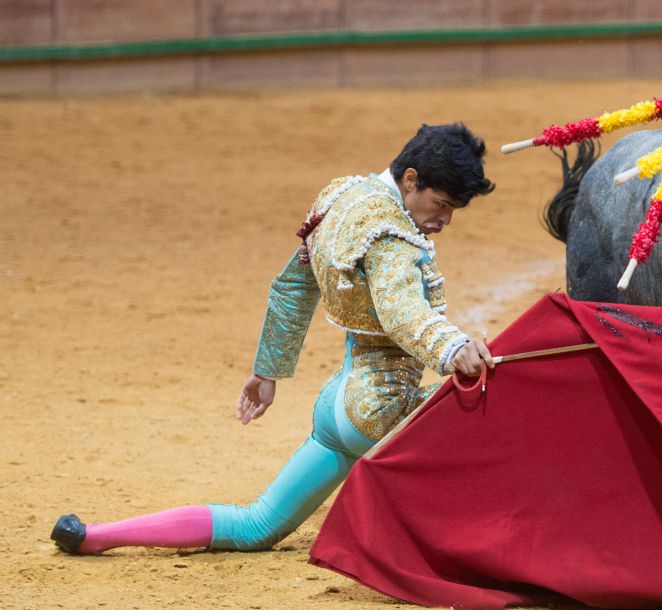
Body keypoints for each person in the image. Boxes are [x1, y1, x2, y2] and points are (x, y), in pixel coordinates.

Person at [51, 123, 496, 554]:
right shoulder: (391, 237)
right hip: (383, 412)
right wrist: (453, 347)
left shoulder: (341, 196)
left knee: (255, 526)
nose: (445, 219)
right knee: (497, 416)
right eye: (441, 204)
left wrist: (267, 372)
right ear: (411, 179)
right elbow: (403, 312)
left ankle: (93, 535)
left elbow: (294, 286)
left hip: (337, 410)